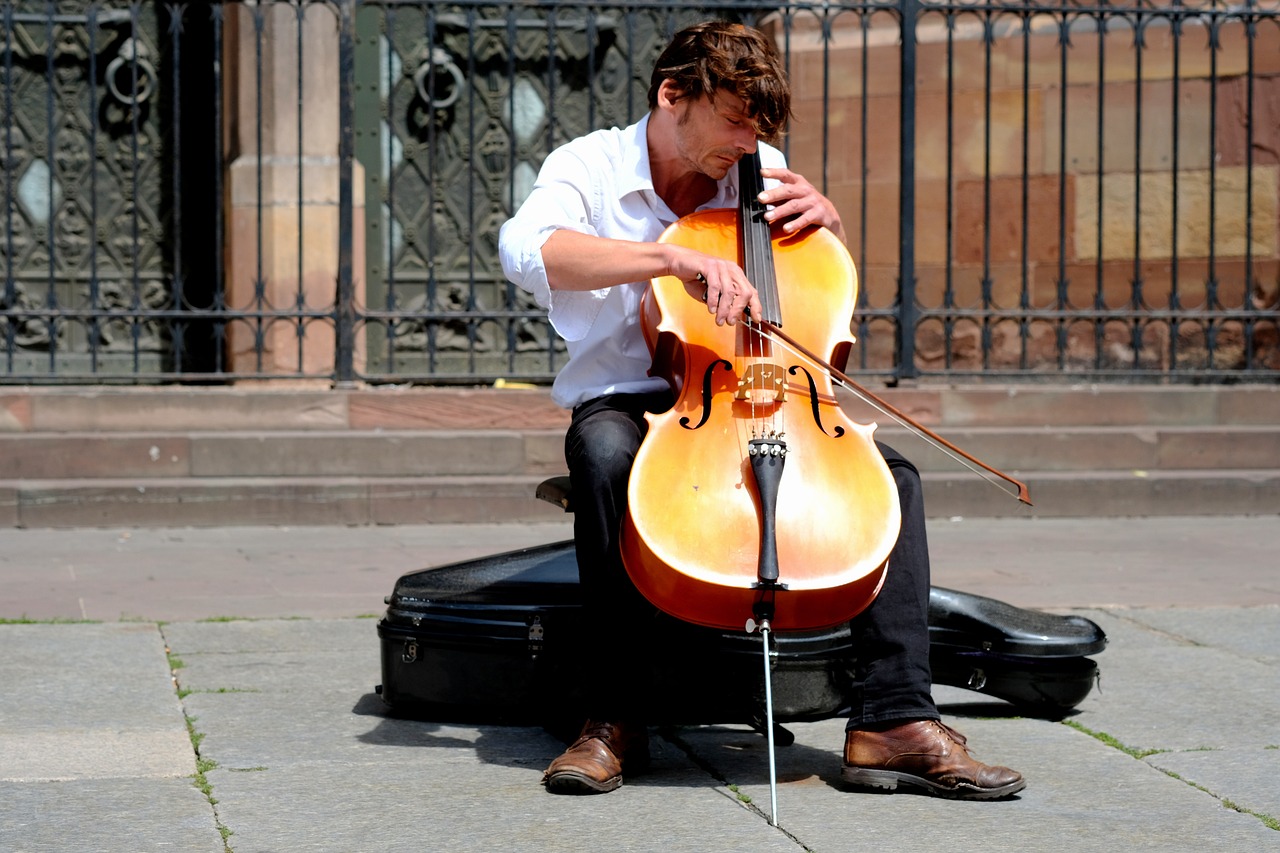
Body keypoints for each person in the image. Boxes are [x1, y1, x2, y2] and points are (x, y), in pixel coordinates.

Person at [499, 20, 1025, 800]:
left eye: (761, 127)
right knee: (606, 456)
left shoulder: (760, 166)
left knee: (895, 478)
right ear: (672, 95)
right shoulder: (591, 164)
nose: (750, 146)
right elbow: (528, 251)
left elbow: (815, 294)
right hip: (631, 395)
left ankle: (894, 717)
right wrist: (670, 256)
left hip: (757, 388)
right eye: (735, 121)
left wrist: (831, 226)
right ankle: (610, 717)